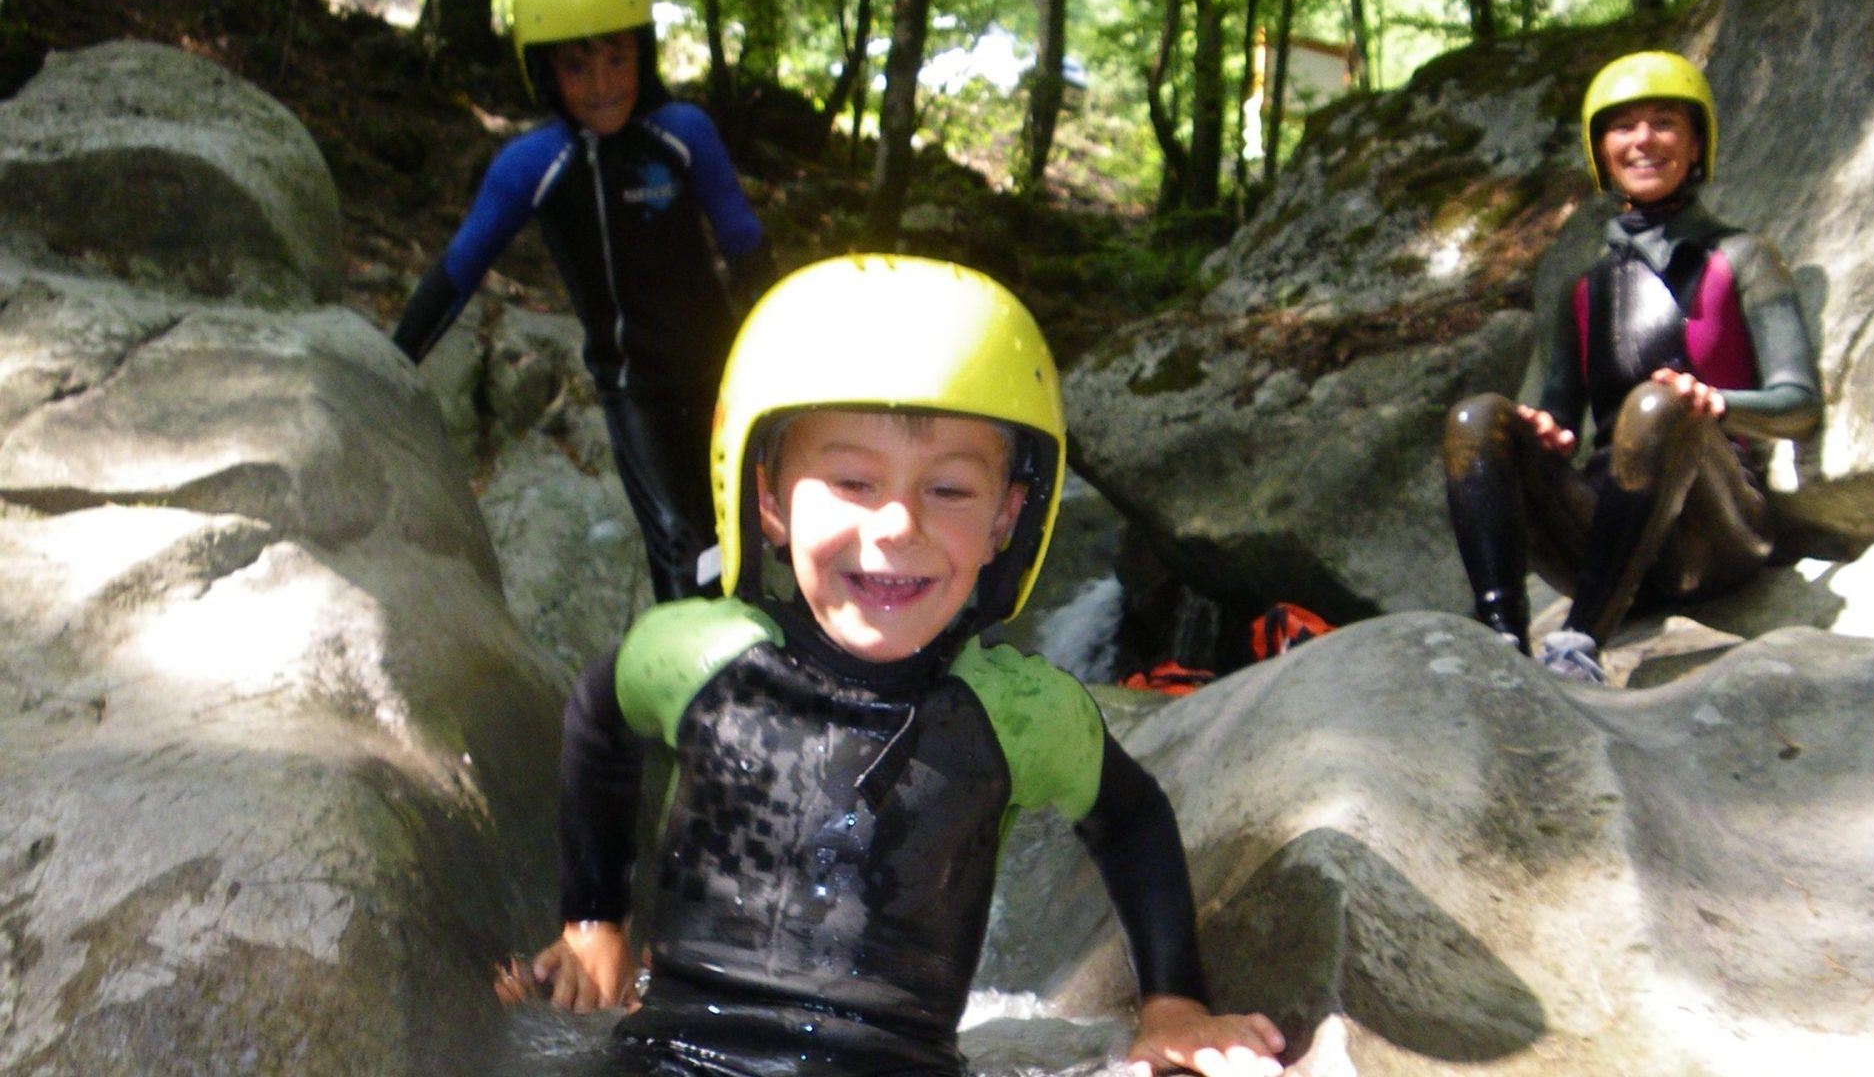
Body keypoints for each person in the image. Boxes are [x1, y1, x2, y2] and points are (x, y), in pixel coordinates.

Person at [500, 255, 1296, 1076]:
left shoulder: (1017, 712)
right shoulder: (702, 657)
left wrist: (1175, 1001)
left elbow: (1130, 819)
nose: (897, 524)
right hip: (673, 1054)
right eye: (852, 480)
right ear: (769, 498)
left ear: (1005, 520)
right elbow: (599, 708)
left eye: (949, 491)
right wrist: (593, 919)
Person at [1441, 51, 1821, 682]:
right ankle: (1502, 644)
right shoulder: (1580, 290)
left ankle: (1580, 642)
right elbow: (1555, 410)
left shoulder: (1745, 256)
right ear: (1601, 149)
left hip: (1715, 529)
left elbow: (1799, 404)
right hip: (1602, 527)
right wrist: (1546, 430)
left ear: (1696, 142)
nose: (1643, 139)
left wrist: (1715, 404)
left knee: (1657, 403)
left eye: (1664, 122)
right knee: (1475, 418)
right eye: (1623, 126)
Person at [392, 0, 774, 602]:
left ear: (642, 55)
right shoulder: (534, 164)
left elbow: (747, 249)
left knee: (752, 539)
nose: (602, 84)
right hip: (637, 394)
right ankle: (692, 687)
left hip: (724, 379)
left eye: (617, 59)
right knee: (682, 547)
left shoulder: (683, 134)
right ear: (544, 71)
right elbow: (459, 271)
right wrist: (391, 361)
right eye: (577, 65)